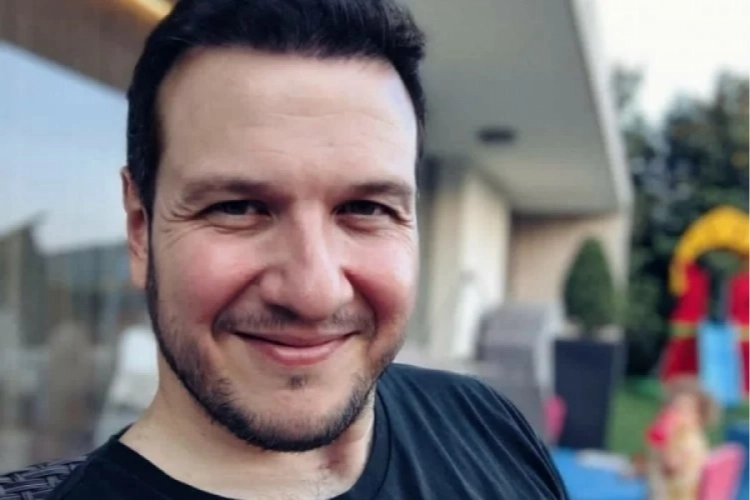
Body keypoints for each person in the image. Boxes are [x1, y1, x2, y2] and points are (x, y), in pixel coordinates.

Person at [44, 0, 567, 498]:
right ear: (140, 229)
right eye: (237, 207)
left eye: (366, 208)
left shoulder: (487, 425)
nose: (314, 294)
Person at [645, 377, 717, 500]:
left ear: (698, 417)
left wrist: (663, 443)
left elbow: (671, 466)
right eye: (673, 408)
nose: (675, 414)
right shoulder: (693, 434)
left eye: (684, 410)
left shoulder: (687, 439)